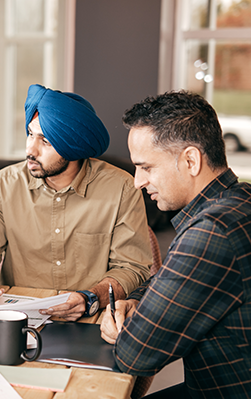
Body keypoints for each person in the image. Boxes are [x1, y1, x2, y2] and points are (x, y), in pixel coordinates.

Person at [100, 90, 251, 398]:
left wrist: (122, 331)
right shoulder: (239, 200)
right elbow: (171, 277)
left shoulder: (211, 231)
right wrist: (138, 300)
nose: (137, 182)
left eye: (146, 167)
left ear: (191, 160)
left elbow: (135, 354)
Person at [0, 84, 152, 321]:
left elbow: (131, 267)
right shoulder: (2, 185)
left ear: (73, 148)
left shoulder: (122, 188)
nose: (30, 150)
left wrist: (89, 298)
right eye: (30, 134)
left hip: (89, 319)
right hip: (17, 318)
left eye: (46, 141)